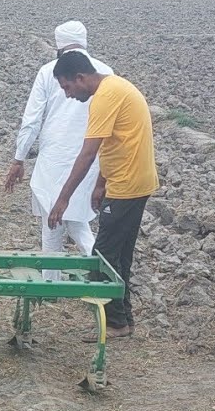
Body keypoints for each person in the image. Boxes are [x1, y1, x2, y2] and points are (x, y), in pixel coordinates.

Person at [48, 51, 158, 340]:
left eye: (67, 87)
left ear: (80, 78)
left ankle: (115, 323)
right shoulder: (115, 88)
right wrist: (100, 183)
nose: (68, 95)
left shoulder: (105, 97)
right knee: (119, 256)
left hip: (127, 186)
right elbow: (115, 144)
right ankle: (124, 320)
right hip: (135, 182)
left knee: (102, 258)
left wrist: (63, 199)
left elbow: (88, 153)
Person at [4, 21, 113, 280]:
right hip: (91, 159)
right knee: (68, 220)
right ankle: (58, 280)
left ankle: (103, 275)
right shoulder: (106, 72)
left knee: (59, 222)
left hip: (54, 159)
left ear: (58, 44)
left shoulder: (48, 72)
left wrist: (19, 159)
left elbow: (32, 120)